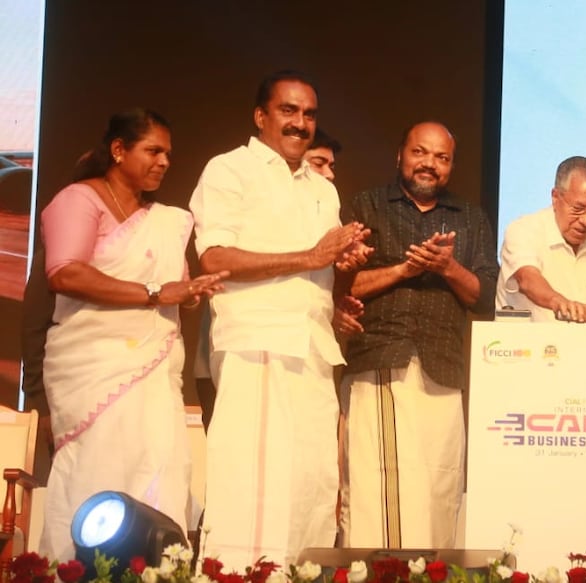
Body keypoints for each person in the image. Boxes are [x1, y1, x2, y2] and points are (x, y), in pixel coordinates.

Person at [189, 70, 371, 568]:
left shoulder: (322, 188)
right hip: (258, 344)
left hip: (312, 348)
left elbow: (320, 262)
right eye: (288, 111)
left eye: (309, 114)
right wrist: (312, 257)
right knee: (256, 489)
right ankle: (240, 577)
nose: (300, 123)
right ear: (261, 116)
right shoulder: (230, 170)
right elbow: (215, 259)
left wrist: (340, 272)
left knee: (310, 488)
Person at [37, 109, 226, 560]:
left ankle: (156, 568)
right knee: (98, 469)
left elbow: (170, 288)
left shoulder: (165, 220)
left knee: (160, 467)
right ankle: (76, 567)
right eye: (152, 151)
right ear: (119, 150)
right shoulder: (79, 200)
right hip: (96, 367)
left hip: (154, 368)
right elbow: (65, 274)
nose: (163, 162)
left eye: (168, 154)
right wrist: (158, 292)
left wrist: (188, 294)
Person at [339, 121, 498, 548]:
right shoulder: (366, 206)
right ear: (400, 154)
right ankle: (377, 575)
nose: (429, 164)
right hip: (381, 361)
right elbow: (342, 286)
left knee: (439, 487)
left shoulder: (470, 217)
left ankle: (432, 574)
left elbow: (483, 298)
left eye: (441, 157)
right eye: (420, 153)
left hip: (444, 367)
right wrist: (404, 269)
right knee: (381, 488)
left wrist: (447, 267)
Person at [496, 156, 586, 322]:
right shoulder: (524, 229)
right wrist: (560, 303)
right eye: (578, 209)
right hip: (524, 345)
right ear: (555, 197)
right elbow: (527, 280)